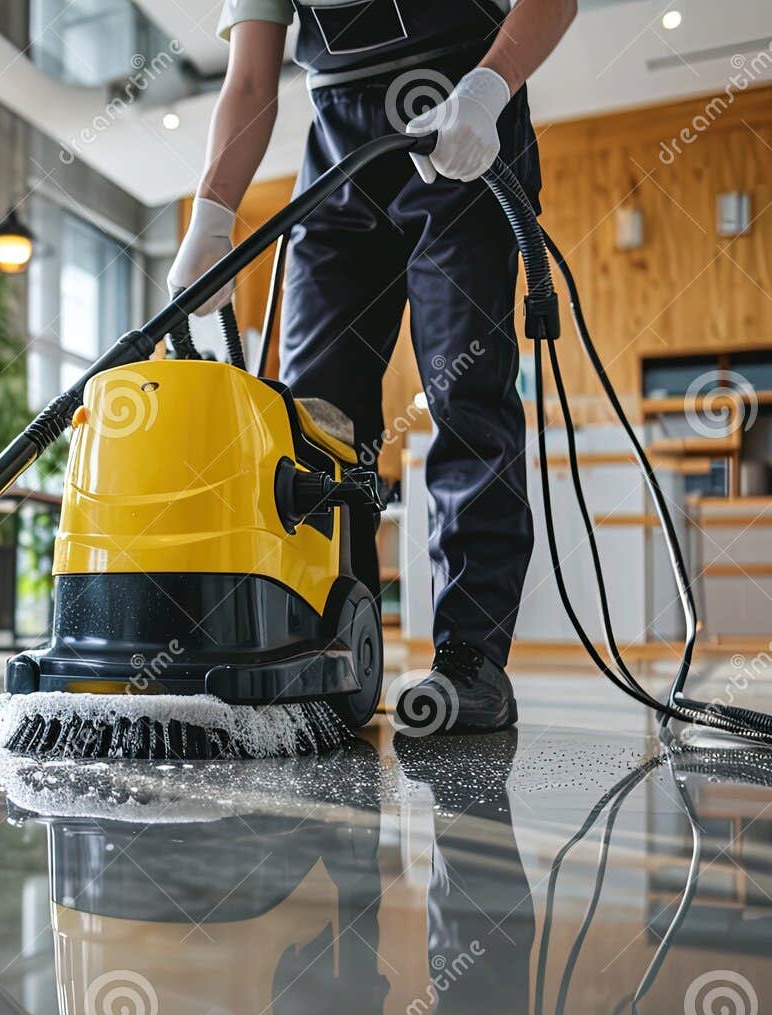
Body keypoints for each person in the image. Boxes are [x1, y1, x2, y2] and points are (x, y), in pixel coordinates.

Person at [168, 0, 577, 733]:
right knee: (315, 422)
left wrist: (489, 89)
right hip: (339, 139)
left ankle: (470, 659)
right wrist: (212, 213)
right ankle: (330, 647)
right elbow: (252, 81)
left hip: (461, 107)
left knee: (465, 394)